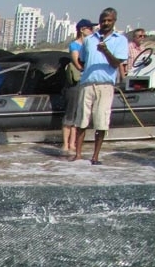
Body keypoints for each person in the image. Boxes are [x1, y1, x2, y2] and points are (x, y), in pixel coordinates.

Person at [70, 7, 128, 165]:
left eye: (109, 20)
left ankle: (95, 156)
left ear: (114, 21)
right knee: (81, 120)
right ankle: (78, 154)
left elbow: (117, 63)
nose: (106, 23)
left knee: (101, 121)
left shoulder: (120, 40)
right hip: (87, 83)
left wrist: (106, 51)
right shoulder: (89, 39)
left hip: (106, 84)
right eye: (103, 20)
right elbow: (81, 60)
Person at [62, 19, 96, 153]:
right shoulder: (75, 45)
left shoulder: (91, 45)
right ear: (82, 30)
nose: (92, 31)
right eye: (89, 28)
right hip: (75, 82)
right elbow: (77, 63)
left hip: (86, 82)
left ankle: (72, 144)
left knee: (79, 115)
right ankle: (65, 144)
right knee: (70, 114)